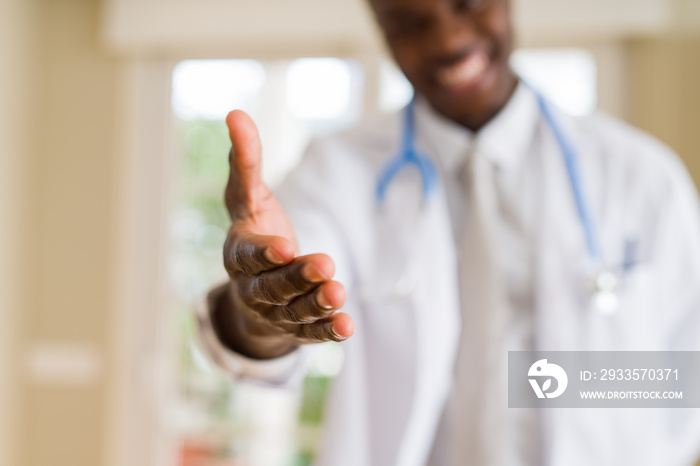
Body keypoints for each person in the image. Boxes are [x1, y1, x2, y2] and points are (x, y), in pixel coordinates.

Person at [195, 0, 700, 464]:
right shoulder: (336, 171)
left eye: (468, 3)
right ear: (379, 24)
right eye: (409, 21)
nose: (448, 40)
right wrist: (258, 312)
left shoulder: (642, 177)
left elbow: (685, 381)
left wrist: (570, 386)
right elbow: (279, 291)